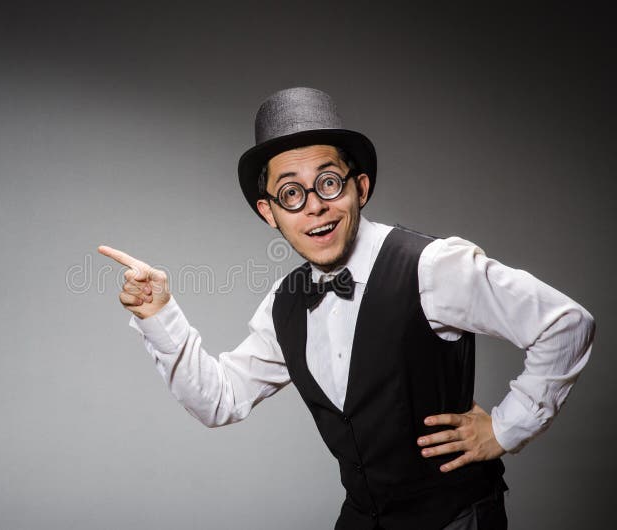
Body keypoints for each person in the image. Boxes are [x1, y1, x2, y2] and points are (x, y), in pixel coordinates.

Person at [98, 87, 595, 530]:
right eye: (291, 193)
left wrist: (506, 429)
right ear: (268, 212)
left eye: (328, 183)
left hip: (456, 519)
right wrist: (159, 314)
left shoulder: (432, 267)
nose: (313, 206)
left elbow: (565, 324)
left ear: (360, 188)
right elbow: (218, 400)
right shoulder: (285, 304)